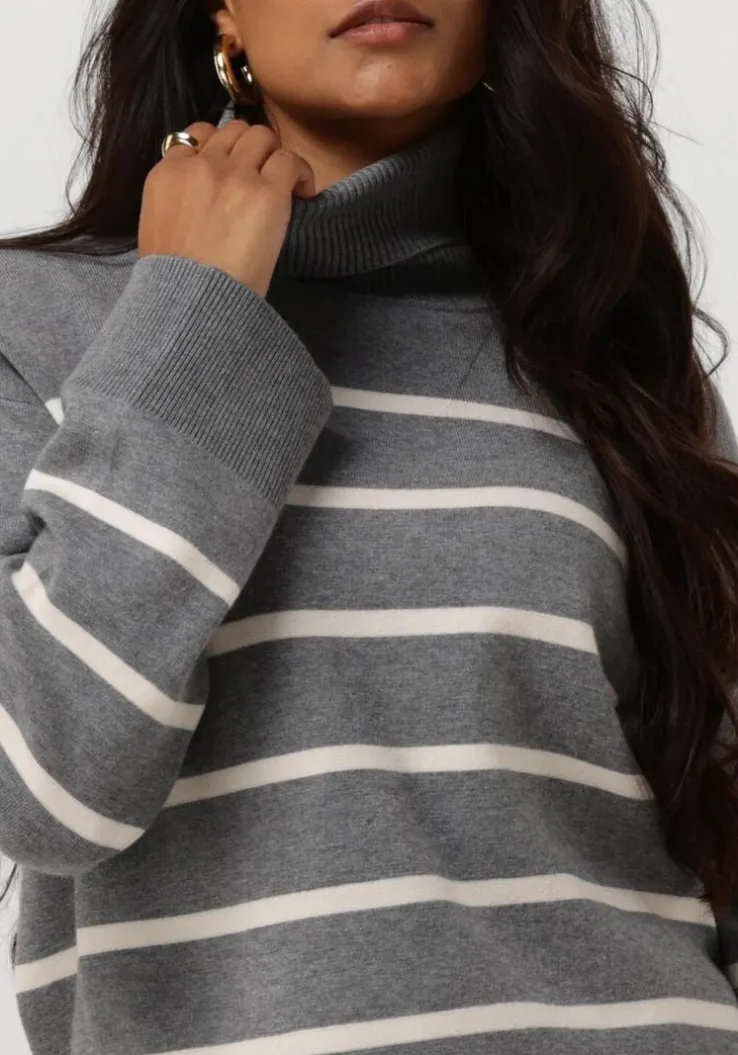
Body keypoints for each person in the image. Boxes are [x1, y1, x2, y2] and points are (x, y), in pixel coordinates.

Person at [2, 0, 738, 1052]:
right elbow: (42, 783)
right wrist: (196, 312)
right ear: (223, 12)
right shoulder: (34, 327)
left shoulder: (616, 364)